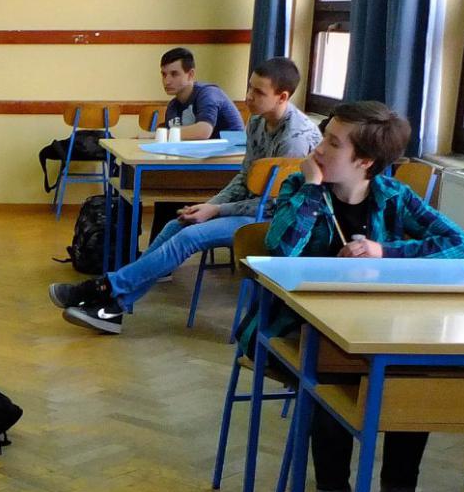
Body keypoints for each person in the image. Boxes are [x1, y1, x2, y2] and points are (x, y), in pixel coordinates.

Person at [252, 100, 464, 492]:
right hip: (294, 330)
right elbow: (280, 249)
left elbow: (461, 245)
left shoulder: (394, 197)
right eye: (324, 137)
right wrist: (312, 191)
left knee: (411, 383)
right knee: (332, 379)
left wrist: (385, 252)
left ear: (365, 161)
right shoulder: (300, 187)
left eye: (333, 143)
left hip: (376, 328)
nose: (318, 148)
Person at [49, 56, 321, 333]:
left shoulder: (295, 139)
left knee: (189, 237)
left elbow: (278, 206)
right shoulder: (257, 122)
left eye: (258, 92)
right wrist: (209, 205)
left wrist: (217, 211)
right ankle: (113, 307)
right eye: (249, 87)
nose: (248, 96)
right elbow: (244, 177)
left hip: (278, 223)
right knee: (175, 225)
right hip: (253, 207)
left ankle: (102, 289)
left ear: (282, 97)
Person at [158, 47, 246, 142]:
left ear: (191, 74)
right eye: (164, 74)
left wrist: (159, 134)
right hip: (203, 150)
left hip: (233, 149)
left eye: (174, 74)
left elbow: (204, 131)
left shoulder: (208, 93)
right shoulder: (173, 105)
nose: (167, 81)